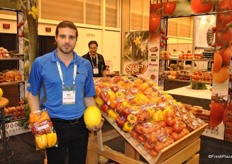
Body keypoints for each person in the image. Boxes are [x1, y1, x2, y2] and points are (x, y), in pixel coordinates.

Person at [27, 20, 102, 164]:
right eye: (62, 36)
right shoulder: (41, 63)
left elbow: (88, 96)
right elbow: (33, 93)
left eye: (71, 37)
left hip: (80, 126)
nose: (67, 41)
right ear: (55, 38)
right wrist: (38, 122)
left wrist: (95, 117)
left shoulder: (85, 65)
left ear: (76, 40)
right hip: (54, 125)